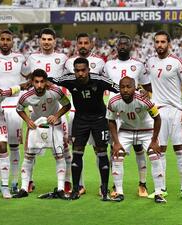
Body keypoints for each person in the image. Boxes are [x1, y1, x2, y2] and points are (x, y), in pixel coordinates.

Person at [49, 57, 119, 200]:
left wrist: (138, 91)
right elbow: (49, 79)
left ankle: (104, 190)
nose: (80, 73)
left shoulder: (100, 80)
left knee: (102, 153)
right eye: (77, 71)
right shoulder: (69, 79)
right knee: (77, 153)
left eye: (83, 70)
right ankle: (75, 190)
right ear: (74, 71)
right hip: (80, 121)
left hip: (100, 120)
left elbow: (120, 88)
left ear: (88, 70)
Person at [21, 28, 72, 193]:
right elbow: (28, 78)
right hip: (36, 112)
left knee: (64, 149)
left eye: (50, 39)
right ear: (39, 41)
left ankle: (66, 182)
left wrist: (54, 85)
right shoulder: (33, 58)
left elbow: (69, 77)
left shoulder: (63, 58)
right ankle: (28, 181)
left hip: (56, 109)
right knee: (31, 149)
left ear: (55, 41)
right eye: (44, 39)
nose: (46, 42)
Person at [146, 30, 182, 200]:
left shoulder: (177, 62)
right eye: (157, 42)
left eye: (163, 42)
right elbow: (146, 83)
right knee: (160, 150)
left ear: (169, 44)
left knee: (180, 149)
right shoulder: (149, 62)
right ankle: (162, 188)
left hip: (176, 111)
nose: (159, 45)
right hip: (158, 113)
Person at [104, 34, 152, 197]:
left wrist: (146, 92)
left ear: (131, 46)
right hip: (113, 110)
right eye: (120, 44)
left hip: (134, 111)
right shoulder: (108, 65)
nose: (123, 46)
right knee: (114, 149)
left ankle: (143, 184)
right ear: (116, 47)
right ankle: (115, 187)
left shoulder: (138, 65)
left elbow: (147, 87)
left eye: (126, 43)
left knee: (139, 147)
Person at [13, 69, 71, 199]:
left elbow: (67, 105)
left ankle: (61, 188)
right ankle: (23, 188)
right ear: (32, 82)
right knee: (28, 157)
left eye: (42, 82)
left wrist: (56, 115)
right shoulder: (26, 96)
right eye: (36, 82)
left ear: (46, 82)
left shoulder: (55, 91)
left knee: (59, 156)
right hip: (36, 126)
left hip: (54, 126)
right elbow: (19, 109)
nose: (39, 85)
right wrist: (27, 120)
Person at [107, 77, 166, 203]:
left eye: (129, 87)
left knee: (154, 156)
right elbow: (111, 121)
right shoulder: (113, 101)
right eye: (122, 87)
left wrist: (154, 140)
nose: (125, 90)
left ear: (135, 88)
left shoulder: (144, 100)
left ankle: (159, 193)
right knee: (117, 156)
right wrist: (116, 142)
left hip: (146, 130)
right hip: (126, 130)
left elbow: (157, 118)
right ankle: (119, 192)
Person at [0, 30, 26, 194]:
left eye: (8, 39)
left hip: (15, 106)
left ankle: (14, 182)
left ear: (12, 42)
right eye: (3, 39)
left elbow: (29, 77)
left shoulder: (21, 58)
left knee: (14, 146)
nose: (5, 42)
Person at [64, 32, 105, 195]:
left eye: (86, 43)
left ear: (91, 45)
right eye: (80, 43)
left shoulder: (100, 62)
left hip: (95, 114)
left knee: (98, 149)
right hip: (76, 113)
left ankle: (103, 185)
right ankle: (79, 185)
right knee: (77, 151)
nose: (83, 45)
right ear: (76, 44)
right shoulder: (68, 63)